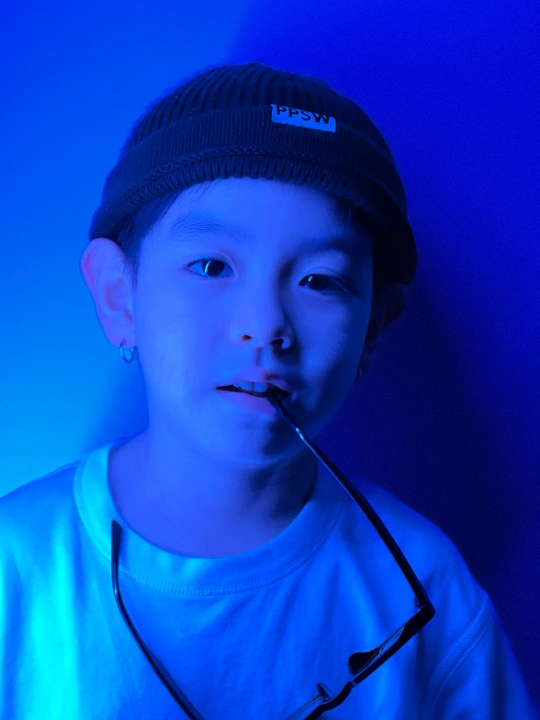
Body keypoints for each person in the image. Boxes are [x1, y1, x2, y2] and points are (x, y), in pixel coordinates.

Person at [0, 61, 536, 719]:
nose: (266, 326)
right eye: (211, 266)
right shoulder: (16, 567)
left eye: (320, 281)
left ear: (373, 327)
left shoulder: (425, 584)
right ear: (119, 296)